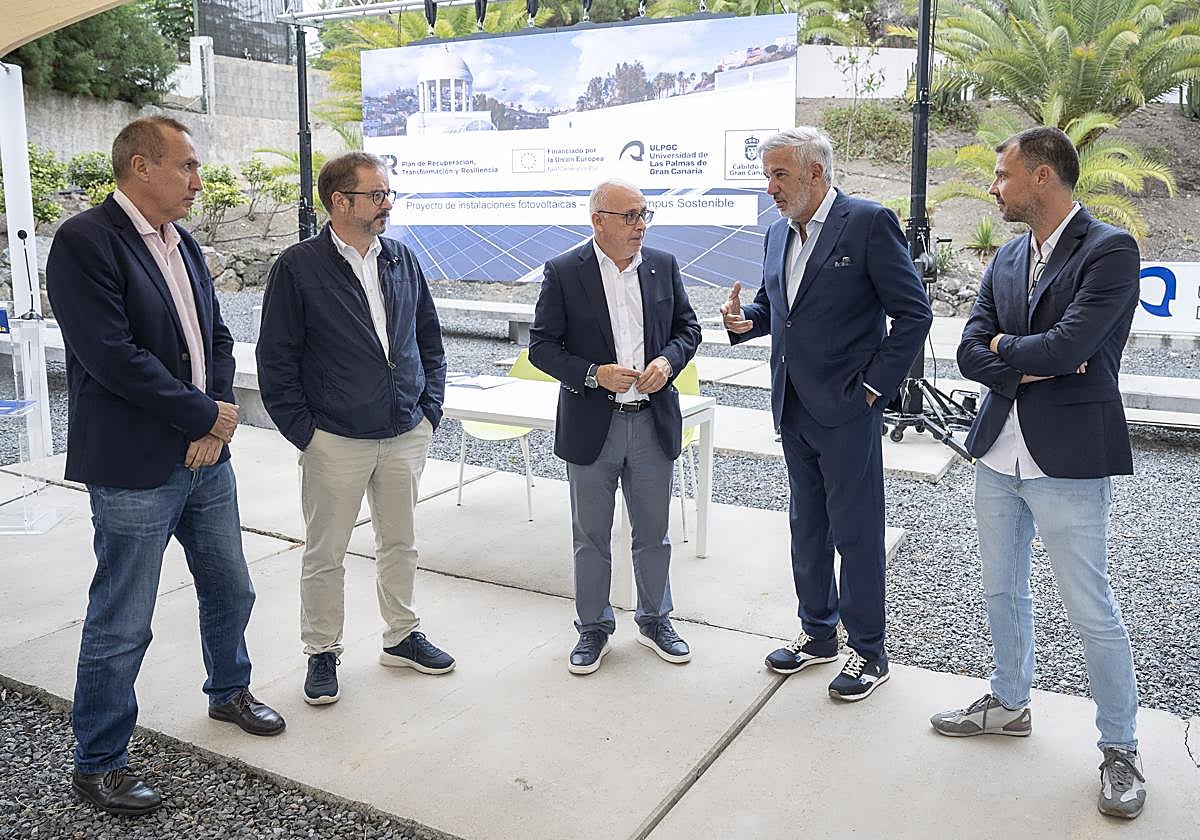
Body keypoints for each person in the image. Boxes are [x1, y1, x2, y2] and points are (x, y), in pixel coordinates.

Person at [46, 116, 284, 817]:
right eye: (186, 167)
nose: (197, 182)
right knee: (123, 619)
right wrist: (201, 416)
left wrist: (214, 414)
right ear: (141, 166)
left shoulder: (182, 243)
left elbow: (215, 336)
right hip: (134, 465)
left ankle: (228, 689)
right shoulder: (85, 242)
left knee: (231, 588)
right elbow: (112, 357)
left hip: (204, 457)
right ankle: (99, 762)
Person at [930, 126, 1146, 819]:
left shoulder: (1110, 250)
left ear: (1043, 177)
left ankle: (1121, 749)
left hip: (1070, 456)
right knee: (1002, 592)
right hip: (996, 451)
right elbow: (968, 349)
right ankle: (1009, 703)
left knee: (1091, 610)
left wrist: (1014, 350)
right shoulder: (1006, 255)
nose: (994, 187)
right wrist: (1024, 354)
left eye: (1002, 175)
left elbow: (1075, 345)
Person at [721, 127, 931, 700]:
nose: (770, 187)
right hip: (791, 406)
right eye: (767, 175)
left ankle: (869, 651)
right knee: (805, 527)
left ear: (816, 173)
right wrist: (748, 321)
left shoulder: (866, 223)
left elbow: (913, 314)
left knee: (856, 533)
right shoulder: (776, 234)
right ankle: (818, 634)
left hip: (847, 410)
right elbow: (778, 307)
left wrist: (873, 391)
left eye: (780, 175)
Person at [256, 152, 450, 707]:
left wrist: (428, 409)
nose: (388, 203)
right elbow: (278, 361)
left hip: (404, 430)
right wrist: (307, 434)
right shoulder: (298, 267)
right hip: (335, 439)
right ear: (341, 202)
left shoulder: (402, 259)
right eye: (377, 195)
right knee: (326, 551)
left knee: (401, 542)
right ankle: (322, 651)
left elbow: (429, 341)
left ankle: (402, 636)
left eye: (389, 194)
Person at [529, 178, 701, 675]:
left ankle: (654, 620)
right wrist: (593, 374)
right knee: (591, 536)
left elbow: (688, 330)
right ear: (598, 220)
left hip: (651, 422)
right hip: (593, 426)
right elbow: (542, 346)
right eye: (629, 216)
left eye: (644, 215)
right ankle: (593, 628)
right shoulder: (564, 272)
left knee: (654, 534)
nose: (639, 226)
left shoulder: (663, 266)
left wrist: (667, 364)